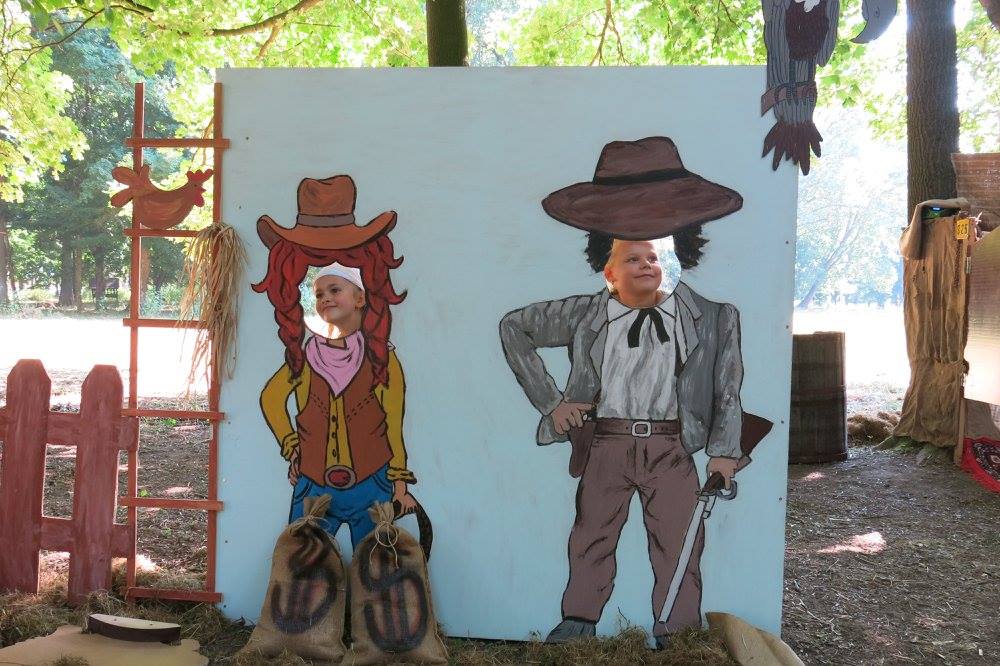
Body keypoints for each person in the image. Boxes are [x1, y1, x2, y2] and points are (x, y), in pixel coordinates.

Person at [500, 137, 767, 647]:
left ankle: (677, 633)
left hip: (673, 448)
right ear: (608, 269)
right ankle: (579, 621)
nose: (647, 265)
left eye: (658, 255)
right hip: (606, 442)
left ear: (680, 257)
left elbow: (727, 390)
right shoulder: (584, 314)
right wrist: (553, 403)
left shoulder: (714, 318)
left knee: (680, 541)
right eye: (632, 257)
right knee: (591, 534)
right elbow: (515, 328)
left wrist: (724, 453)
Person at [254, 175, 416, 548]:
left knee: (375, 563)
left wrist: (399, 482)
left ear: (361, 298)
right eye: (318, 293)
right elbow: (271, 398)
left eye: (335, 289)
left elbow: (393, 420)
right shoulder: (305, 356)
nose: (325, 297)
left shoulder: (382, 359)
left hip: (372, 484)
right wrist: (292, 445)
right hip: (313, 485)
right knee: (303, 562)